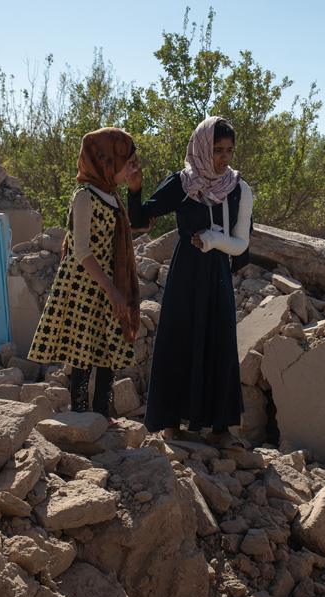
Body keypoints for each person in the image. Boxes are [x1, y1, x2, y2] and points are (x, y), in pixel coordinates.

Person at [127, 116, 254, 447]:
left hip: (217, 275)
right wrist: (135, 188)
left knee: (220, 339)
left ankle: (220, 427)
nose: (223, 158)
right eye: (216, 150)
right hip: (186, 274)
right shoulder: (183, 184)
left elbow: (241, 245)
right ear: (201, 147)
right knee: (178, 339)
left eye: (229, 151)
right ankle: (170, 423)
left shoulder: (239, 189)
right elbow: (140, 219)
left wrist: (212, 239)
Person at [28, 127, 141, 417]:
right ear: (105, 161)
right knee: (83, 351)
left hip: (108, 283)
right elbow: (81, 251)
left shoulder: (113, 196)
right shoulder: (84, 197)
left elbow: (134, 230)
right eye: (125, 160)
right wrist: (112, 289)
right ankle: (80, 416)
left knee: (107, 347)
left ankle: (102, 415)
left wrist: (135, 188)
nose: (131, 165)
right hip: (85, 282)